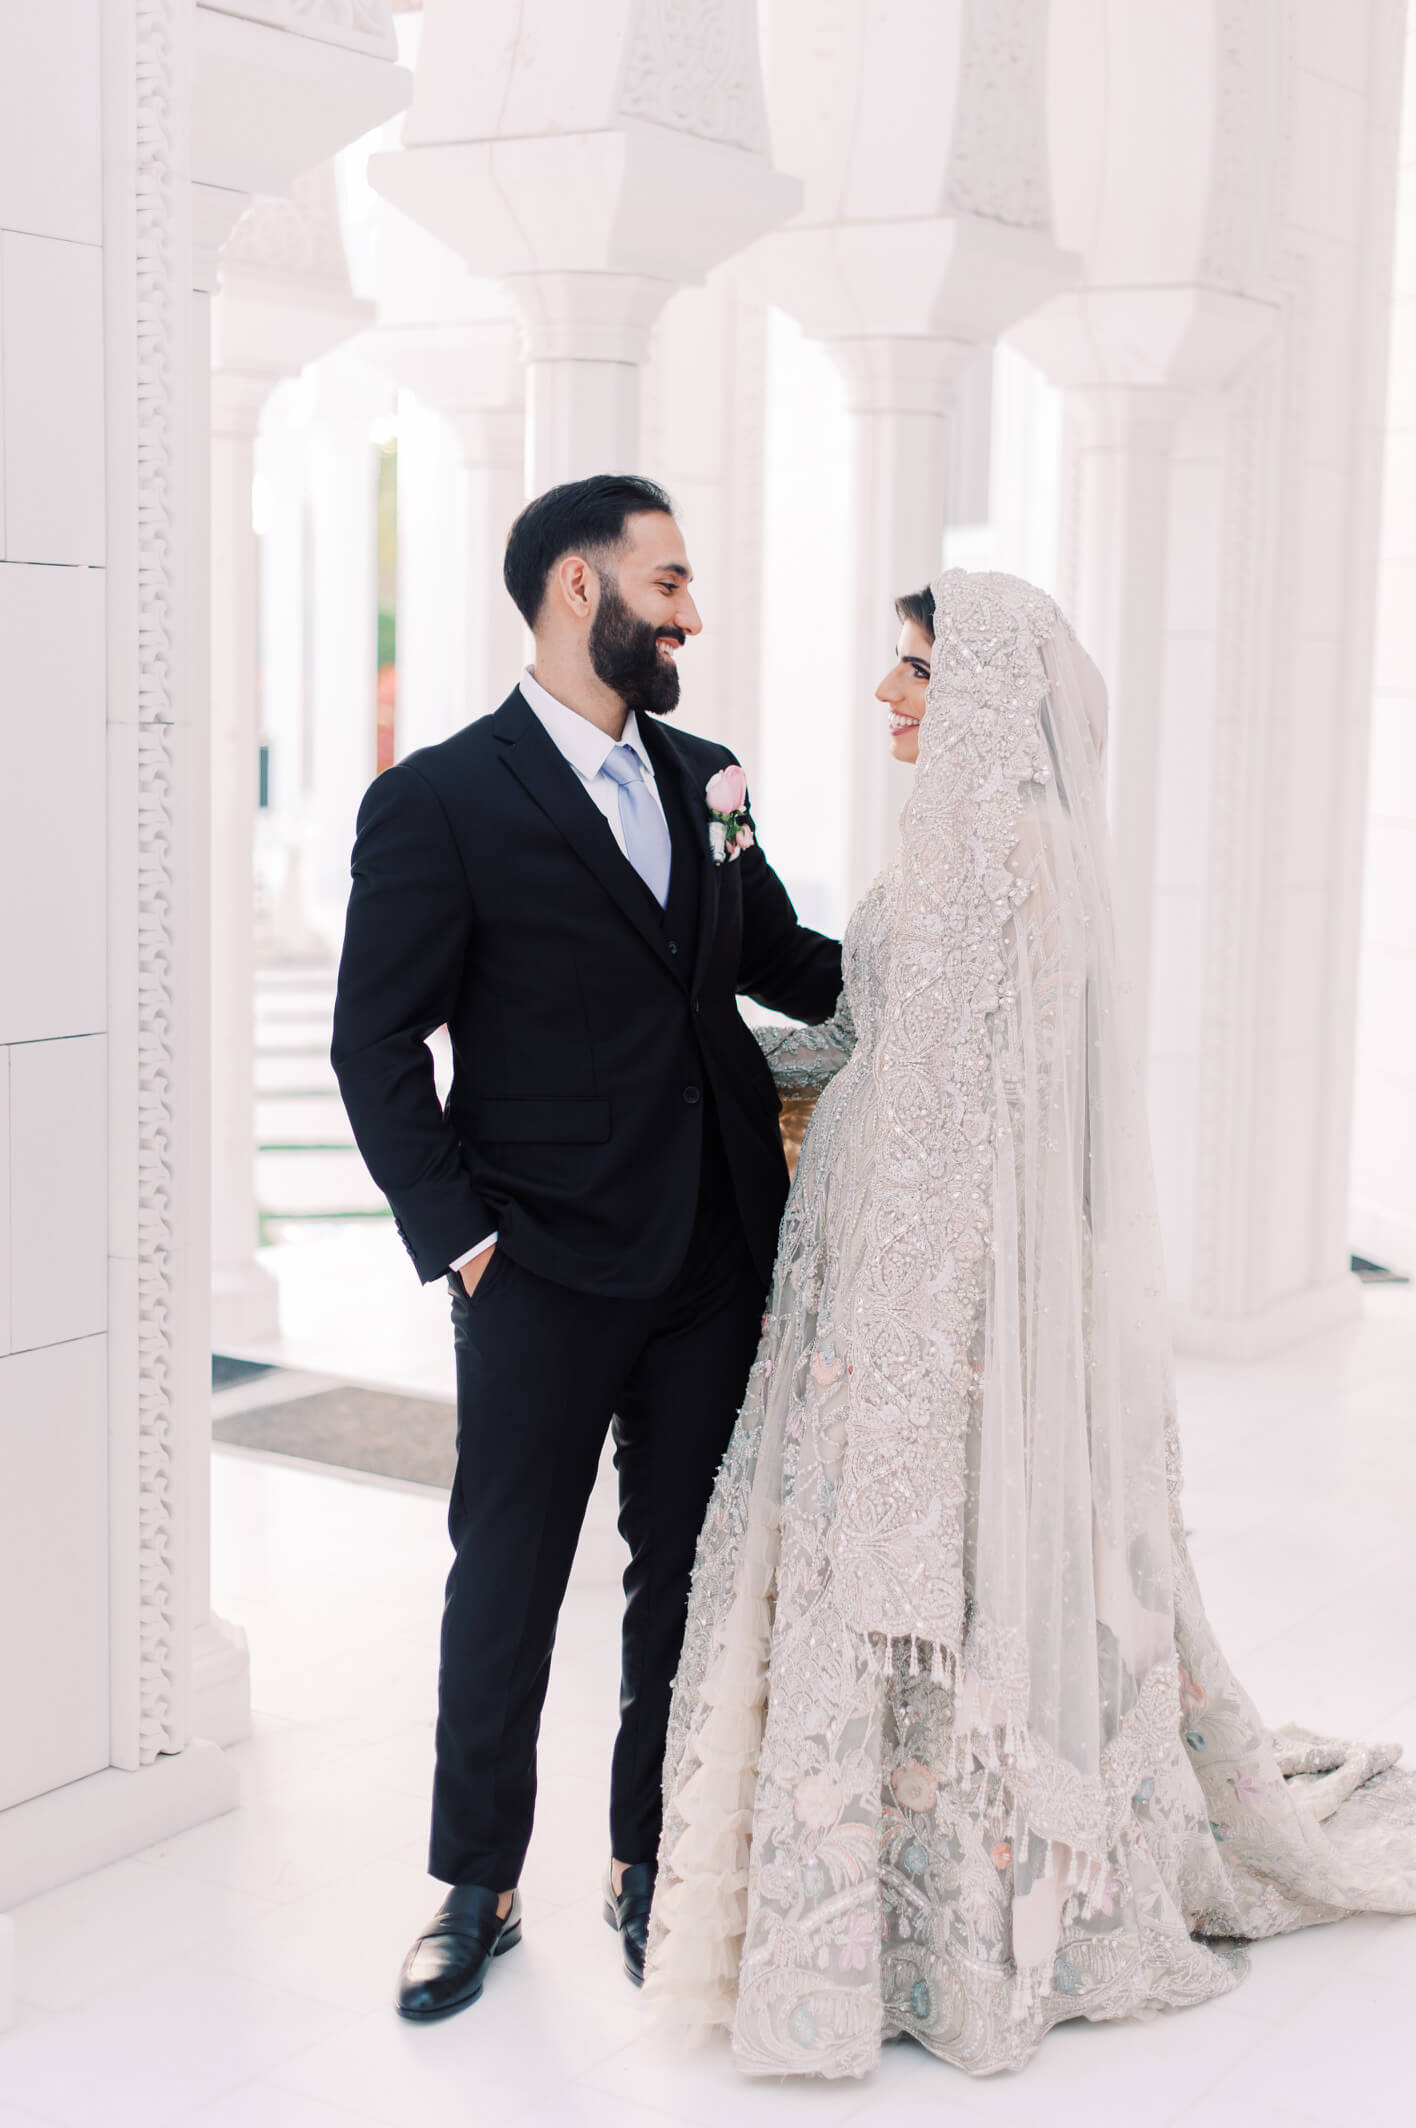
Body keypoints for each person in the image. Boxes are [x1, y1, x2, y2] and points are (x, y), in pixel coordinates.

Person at [645, 568, 1416, 2078]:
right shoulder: (1008, 843)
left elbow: (959, 1111)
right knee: (977, 1571)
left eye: (917, 671)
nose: (891, 696)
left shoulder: (991, 852)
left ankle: (937, 1924)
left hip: (925, 1287)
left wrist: (903, 1339)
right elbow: (911, 1047)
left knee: (941, 1570)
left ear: (988, 691)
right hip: (914, 1269)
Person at [330, 474, 842, 2021]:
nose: (691, 611)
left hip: (712, 1261)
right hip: (539, 1270)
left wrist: (944, 933)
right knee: (508, 1580)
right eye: (669, 580)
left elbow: (783, 961)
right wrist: (467, 1245)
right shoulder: (440, 801)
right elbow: (373, 1046)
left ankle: (651, 1862)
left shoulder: (710, 775)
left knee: (682, 1580)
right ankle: (474, 1883)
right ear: (577, 588)